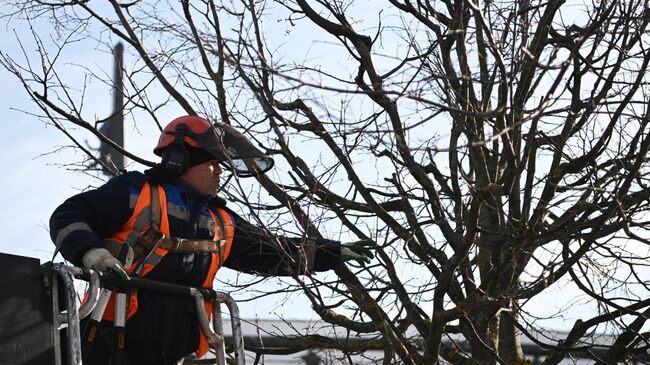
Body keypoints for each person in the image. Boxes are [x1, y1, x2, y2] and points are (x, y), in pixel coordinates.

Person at [49, 115, 374, 364]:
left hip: (177, 355)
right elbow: (69, 216)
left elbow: (275, 252)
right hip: (108, 347)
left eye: (222, 164)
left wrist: (336, 252)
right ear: (179, 160)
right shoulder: (136, 194)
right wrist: (92, 254)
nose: (220, 171)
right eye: (211, 163)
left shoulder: (220, 223)